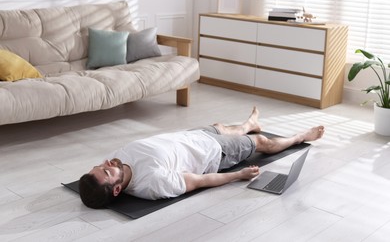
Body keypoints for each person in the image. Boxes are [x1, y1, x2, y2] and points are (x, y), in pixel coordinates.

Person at [79, 107, 324, 209]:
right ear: (117, 189)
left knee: (220, 125)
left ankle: (250, 123)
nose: (108, 163)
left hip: (191, 136)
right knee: (262, 143)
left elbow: (103, 171)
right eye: (108, 171)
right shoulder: (152, 183)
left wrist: (104, 169)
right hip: (214, 152)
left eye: (100, 166)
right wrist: (237, 175)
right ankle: (300, 136)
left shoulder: (113, 163)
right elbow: (198, 181)